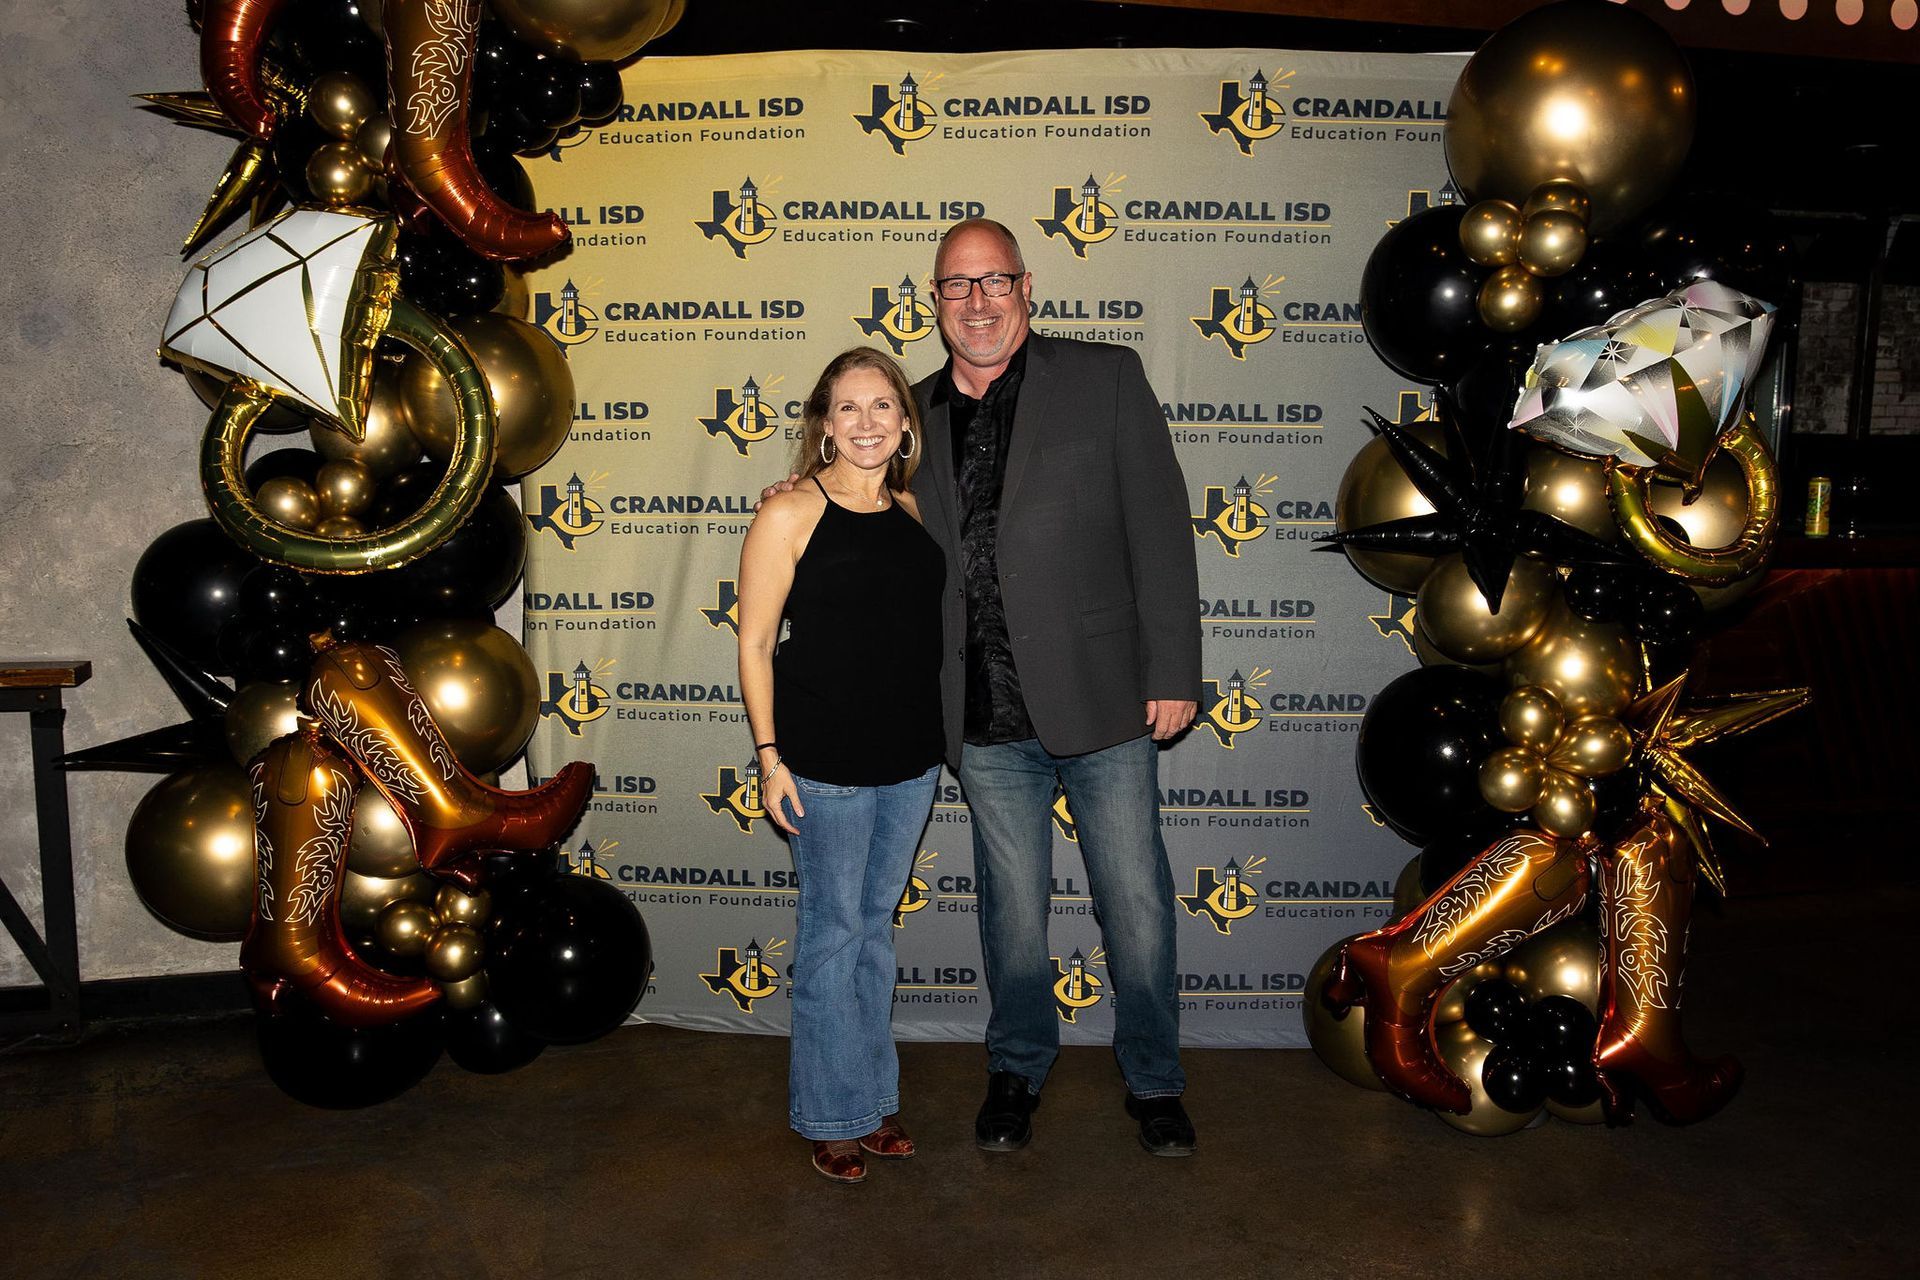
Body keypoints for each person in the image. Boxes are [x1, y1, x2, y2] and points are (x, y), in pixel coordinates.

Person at [918, 219, 1201, 1157]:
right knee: (1011, 914)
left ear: (1027, 287)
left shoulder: (1105, 376)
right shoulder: (909, 416)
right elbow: (843, 497)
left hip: (1106, 699)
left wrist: (1172, 671)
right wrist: (787, 495)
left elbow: (1160, 530)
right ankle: (1016, 1068)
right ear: (934, 303)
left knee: (1136, 903)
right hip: (984, 714)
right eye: (958, 287)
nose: (979, 302)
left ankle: (1155, 1077)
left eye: (994, 281)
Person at [737, 347, 946, 1184]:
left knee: (873, 937)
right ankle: (831, 1114)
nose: (866, 422)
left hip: (910, 759)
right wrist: (768, 756)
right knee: (832, 938)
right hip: (821, 760)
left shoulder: (914, 509)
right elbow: (754, 644)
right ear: (825, 425)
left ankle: (869, 1097)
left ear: (905, 422)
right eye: (848, 408)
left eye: (882, 406)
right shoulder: (789, 511)